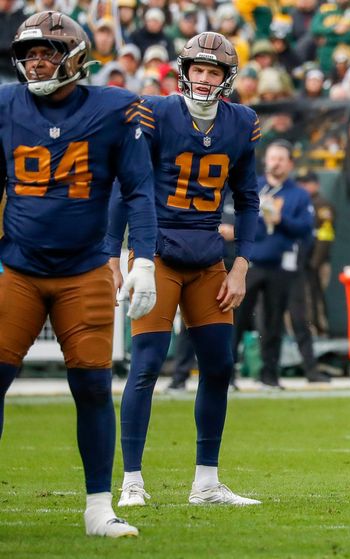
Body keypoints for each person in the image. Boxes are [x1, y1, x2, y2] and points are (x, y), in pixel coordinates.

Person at [0, 11, 158, 537]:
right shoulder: (4, 104)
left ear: (74, 57)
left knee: (92, 387)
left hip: (86, 270)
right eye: (28, 54)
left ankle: (98, 509)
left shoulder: (116, 108)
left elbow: (138, 188)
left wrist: (146, 259)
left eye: (46, 52)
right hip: (18, 267)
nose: (35, 62)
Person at [107, 32, 261, 508]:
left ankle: (207, 484)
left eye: (214, 71)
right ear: (184, 71)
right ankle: (132, 481)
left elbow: (249, 199)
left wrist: (239, 267)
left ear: (226, 78)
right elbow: (126, 184)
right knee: (147, 366)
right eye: (198, 69)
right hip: (156, 256)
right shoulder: (155, 112)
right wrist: (116, 252)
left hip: (207, 258)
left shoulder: (242, 123)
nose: (204, 78)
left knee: (219, 367)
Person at [233, 141, 323, 389]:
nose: (276, 163)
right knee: (237, 319)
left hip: (280, 265)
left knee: (273, 323)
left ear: (290, 164)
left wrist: (280, 219)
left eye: (281, 159)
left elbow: (305, 228)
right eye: (273, 158)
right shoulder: (254, 187)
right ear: (266, 161)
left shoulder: (298, 194)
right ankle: (227, 375)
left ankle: (269, 374)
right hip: (249, 263)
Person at [297, 171, 335, 337]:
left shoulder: (322, 205)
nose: (304, 187)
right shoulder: (300, 202)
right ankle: (305, 330)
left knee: (316, 295)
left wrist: (315, 261)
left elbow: (326, 235)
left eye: (307, 183)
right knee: (303, 296)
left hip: (318, 261)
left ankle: (320, 329)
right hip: (301, 260)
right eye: (301, 183)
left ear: (316, 185)